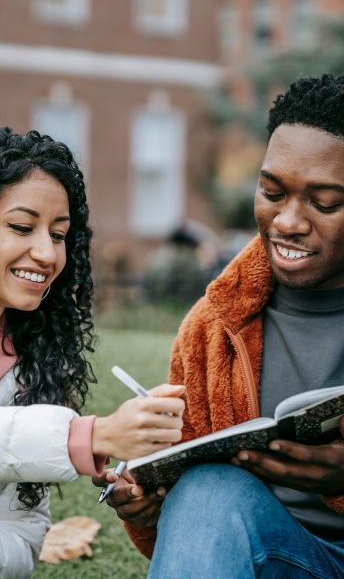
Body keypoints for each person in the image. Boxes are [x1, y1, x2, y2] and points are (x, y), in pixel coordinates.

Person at [96, 73, 344, 578]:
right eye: (272, 191)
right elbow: (197, 534)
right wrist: (148, 502)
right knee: (207, 490)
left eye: (324, 202)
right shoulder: (214, 325)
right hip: (282, 557)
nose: (288, 221)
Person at [0, 125, 185, 578]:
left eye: (58, 235)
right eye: (21, 226)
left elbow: (20, 543)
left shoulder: (35, 366)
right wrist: (88, 437)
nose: (46, 253)